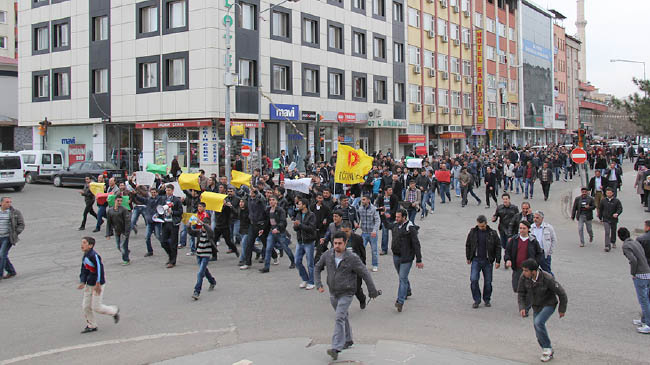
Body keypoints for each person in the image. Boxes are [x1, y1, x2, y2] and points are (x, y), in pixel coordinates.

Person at [315, 231, 380, 361]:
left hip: (347, 292)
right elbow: (317, 267)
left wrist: (372, 291)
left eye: (340, 243)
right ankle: (348, 340)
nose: (337, 246)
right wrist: (318, 284)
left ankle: (336, 348)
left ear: (345, 243)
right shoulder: (328, 255)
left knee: (339, 317)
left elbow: (365, 273)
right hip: (333, 292)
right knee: (343, 316)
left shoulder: (352, 258)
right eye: (335, 243)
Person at [517, 258, 567, 362]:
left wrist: (562, 309)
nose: (524, 273)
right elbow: (521, 293)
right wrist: (522, 307)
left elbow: (562, 293)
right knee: (537, 328)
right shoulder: (524, 277)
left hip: (549, 304)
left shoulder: (547, 278)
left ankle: (547, 349)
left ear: (533, 271)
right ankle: (547, 349)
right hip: (536, 305)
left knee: (538, 322)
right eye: (523, 270)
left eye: (526, 270)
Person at [78, 237, 120, 334]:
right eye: (82, 243)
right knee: (86, 306)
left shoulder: (94, 256)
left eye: (84, 243)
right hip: (89, 284)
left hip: (97, 285)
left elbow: (100, 270)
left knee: (97, 307)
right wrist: (82, 281)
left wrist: (98, 283)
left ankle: (114, 311)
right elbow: (84, 270)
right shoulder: (85, 256)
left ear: (90, 245)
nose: (82, 245)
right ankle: (92, 325)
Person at [504, 221, 543, 311]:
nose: (522, 230)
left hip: (528, 270)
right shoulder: (514, 240)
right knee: (516, 287)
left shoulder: (533, 241)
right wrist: (508, 260)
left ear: (528, 229)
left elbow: (539, 253)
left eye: (524, 228)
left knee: (528, 290)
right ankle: (524, 304)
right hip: (517, 268)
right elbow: (508, 252)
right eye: (520, 228)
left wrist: (535, 264)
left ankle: (526, 308)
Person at [391, 209, 424, 312]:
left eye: (398, 217)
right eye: (396, 217)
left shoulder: (410, 229)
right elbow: (388, 226)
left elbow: (416, 244)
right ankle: (407, 290)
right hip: (396, 255)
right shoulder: (396, 225)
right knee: (402, 277)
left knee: (402, 278)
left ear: (404, 217)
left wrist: (419, 260)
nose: (396, 219)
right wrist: (382, 216)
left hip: (406, 257)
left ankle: (400, 301)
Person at [618, 227, 650, 334]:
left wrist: (633, 273)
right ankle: (644, 320)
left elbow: (633, 260)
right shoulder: (635, 242)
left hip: (640, 274)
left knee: (643, 300)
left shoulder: (626, 246)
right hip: (647, 271)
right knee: (646, 298)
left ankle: (648, 324)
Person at [465, 215, 501, 308]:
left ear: (486, 223)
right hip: (476, 260)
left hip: (487, 261)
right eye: (479, 226)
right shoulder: (473, 232)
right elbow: (468, 244)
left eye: (482, 226)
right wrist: (468, 257)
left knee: (488, 282)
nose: (481, 228)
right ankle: (477, 299)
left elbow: (498, 247)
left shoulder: (492, 233)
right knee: (473, 279)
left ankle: (487, 299)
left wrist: (498, 260)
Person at [260, 195, 295, 273]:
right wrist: (262, 229)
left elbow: (283, 221)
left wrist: (278, 228)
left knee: (285, 248)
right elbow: (266, 222)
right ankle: (266, 267)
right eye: (270, 200)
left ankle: (293, 261)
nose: (271, 201)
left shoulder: (280, 210)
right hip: (271, 232)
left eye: (273, 200)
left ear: (276, 201)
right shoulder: (268, 210)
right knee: (268, 249)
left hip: (280, 232)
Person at [187, 214, 217, 300]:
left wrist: (203, 224)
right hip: (199, 254)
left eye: (205, 225)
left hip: (206, 255)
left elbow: (209, 231)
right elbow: (191, 232)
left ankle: (196, 291)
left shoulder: (210, 233)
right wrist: (189, 224)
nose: (203, 227)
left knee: (200, 273)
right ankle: (212, 281)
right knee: (204, 270)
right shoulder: (199, 232)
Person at [293, 197, 317, 289]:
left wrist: (300, 225)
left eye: (299, 204)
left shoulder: (311, 215)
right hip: (300, 241)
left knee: (310, 262)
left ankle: (311, 282)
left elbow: (311, 228)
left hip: (309, 241)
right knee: (297, 261)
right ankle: (305, 278)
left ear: (304, 205)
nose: (297, 205)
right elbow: (296, 228)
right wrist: (296, 225)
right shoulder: (298, 214)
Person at [0, 197, 24, 280]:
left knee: (1, 255)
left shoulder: (15, 212)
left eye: (10, 202)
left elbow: (21, 224)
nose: (9, 204)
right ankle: (11, 271)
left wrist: (15, 233)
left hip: (7, 238)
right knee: (3, 255)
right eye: (7, 202)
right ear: (1, 203)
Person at [160, 184, 183, 268]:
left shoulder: (176, 200)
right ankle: (170, 256)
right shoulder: (163, 199)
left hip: (173, 223)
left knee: (173, 243)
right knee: (163, 241)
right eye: (166, 190)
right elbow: (159, 208)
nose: (167, 192)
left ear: (172, 191)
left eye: (169, 190)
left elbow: (180, 212)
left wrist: (172, 212)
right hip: (165, 222)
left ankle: (172, 261)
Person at [105, 196, 131, 265]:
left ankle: (126, 260)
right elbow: (109, 223)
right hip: (116, 231)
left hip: (123, 231)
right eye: (118, 201)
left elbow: (127, 222)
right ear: (115, 201)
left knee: (123, 246)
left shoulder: (124, 210)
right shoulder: (110, 211)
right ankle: (126, 252)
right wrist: (108, 234)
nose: (119, 202)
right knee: (119, 246)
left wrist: (126, 233)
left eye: (120, 201)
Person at [530, 211, 557, 277]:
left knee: (546, 271)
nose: (535, 219)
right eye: (534, 217)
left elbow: (554, 240)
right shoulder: (531, 227)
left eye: (537, 218)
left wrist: (549, 252)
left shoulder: (548, 228)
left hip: (544, 253)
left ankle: (552, 284)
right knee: (533, 270)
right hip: (534, 253)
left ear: (542, 219)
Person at [358, 195, 381, 272]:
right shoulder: (360, 209)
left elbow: (377, 221)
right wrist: (358, 224)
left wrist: (375, 230)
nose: (362, 201)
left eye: (364, 199)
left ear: (368, 200)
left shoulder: (374, 209)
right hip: (364, 232)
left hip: (372, 233)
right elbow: (358, 218)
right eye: (362, 199)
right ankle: (361, 264)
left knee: (374, 250)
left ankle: (375, 265)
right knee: (361, 249)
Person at [598, 187, 623, 252]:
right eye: (607, 193)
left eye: (610, 193)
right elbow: (600, 209)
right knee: (607, 232)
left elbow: (620, 208)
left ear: (612, 193)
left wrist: (617, 213)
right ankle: (607, 245)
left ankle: (613, 241)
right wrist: (600, 217)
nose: (608, 194)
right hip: (606, 218)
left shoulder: (616, 201)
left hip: (613, 219)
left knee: (613, 231)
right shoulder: (603, 200)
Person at [376, 187, 398, 255]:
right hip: (384, 218)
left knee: (395, 235)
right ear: (385, 191)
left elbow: (395, 207)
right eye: (390, 190)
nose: (391, 191)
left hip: (392, 218)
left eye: (391, 190)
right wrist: (381, 210)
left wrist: (391, 214)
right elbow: (377, 206)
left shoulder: (394, 197)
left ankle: (396, 249)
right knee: (384, 234)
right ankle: (384, 249)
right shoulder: (380, 198)